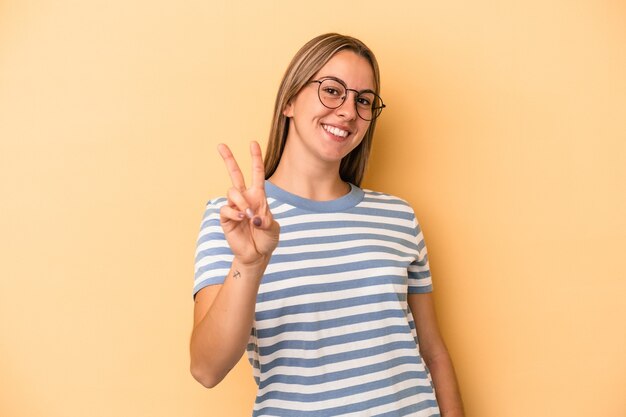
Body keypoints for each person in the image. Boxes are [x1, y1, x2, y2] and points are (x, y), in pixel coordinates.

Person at [190, 33, 464, 417]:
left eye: (363, 100)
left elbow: (432, 352)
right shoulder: (233, 219)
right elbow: (205, 369)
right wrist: (249, 265)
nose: (349, 111)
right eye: (332, 90)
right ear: (289, 100)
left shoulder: (399, 217)